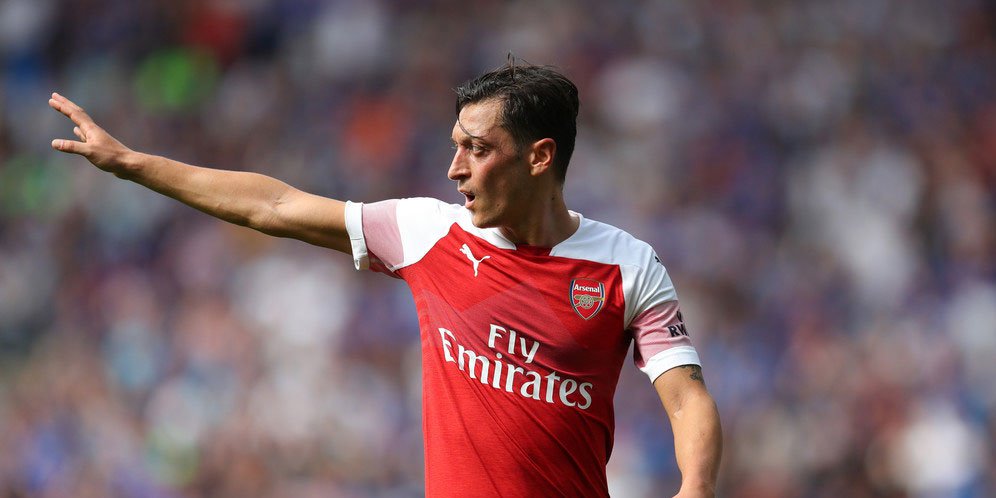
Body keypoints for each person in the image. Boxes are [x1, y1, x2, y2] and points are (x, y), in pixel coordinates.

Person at [49, 62, 722, 498]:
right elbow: (273, 205)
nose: (454, 169)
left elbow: (687, 399)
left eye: (478, 150)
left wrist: (694, 489)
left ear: (540, 157)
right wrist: (134, 165)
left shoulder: (628, 266)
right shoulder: (426, 232)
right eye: (455, 146)